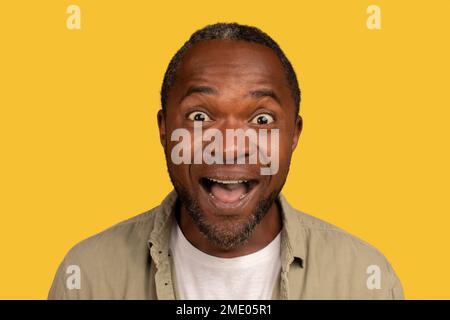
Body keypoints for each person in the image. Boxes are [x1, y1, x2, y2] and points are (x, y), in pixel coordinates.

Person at [48, 22, 404, 300]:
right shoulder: (87, 276)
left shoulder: (365, 278)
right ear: (164, 128)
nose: (230, 147)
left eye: (262, 120)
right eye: (200, 117)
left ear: (293, 135)